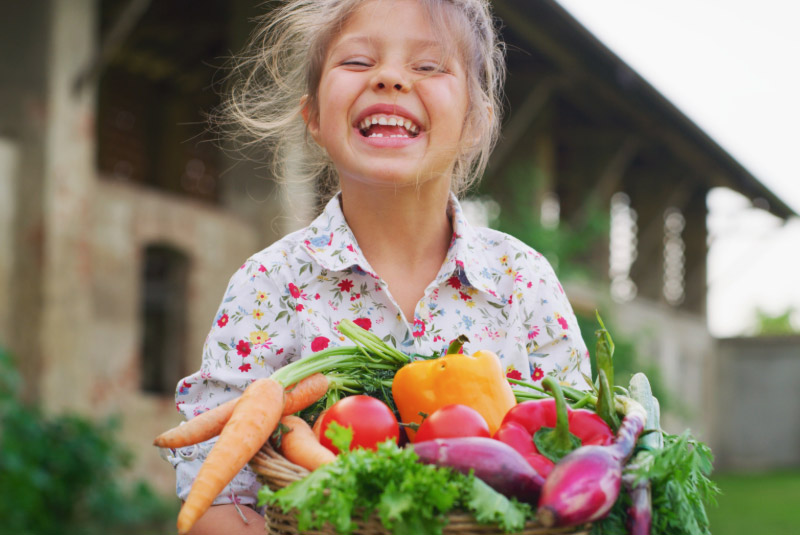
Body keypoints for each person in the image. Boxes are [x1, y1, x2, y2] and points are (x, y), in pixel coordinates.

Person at [166, 0, 591, 532]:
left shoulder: (522, 281)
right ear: (314, 118)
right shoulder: (269, 284)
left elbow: (579, 462)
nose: (389, 78)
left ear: (475, 123)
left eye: (429, 66)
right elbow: (215, 494)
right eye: (358, 62)